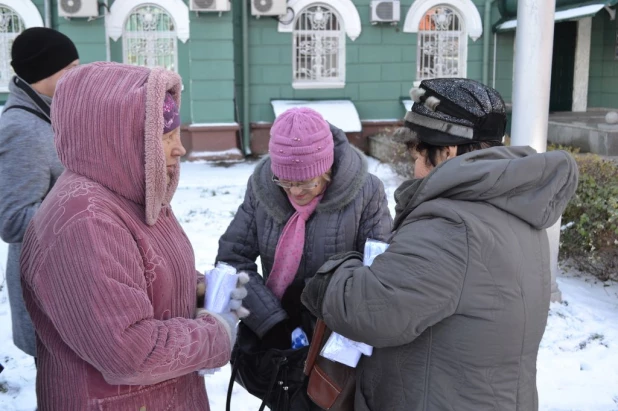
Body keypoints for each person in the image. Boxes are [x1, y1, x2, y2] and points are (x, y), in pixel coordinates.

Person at [301, 78, 579, 411]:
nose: (415, 169)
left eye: (419, 157)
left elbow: (371, 310)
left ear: (447, 152)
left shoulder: (451, 226)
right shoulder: (513, 206)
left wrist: (336, 273)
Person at [19, 62, 247, 411]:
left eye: (177, 133)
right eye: (166, 136)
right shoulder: (85, 224)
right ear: (120, 138)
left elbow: (140, 271)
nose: (180, 148)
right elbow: (129, 351)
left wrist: (199, 288)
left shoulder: (128, 190)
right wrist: (215, 333)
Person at [216, 107, 392, 409]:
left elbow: (379, 272)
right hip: (278, 337)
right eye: (286, 183)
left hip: (339, 341)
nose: (295, 191)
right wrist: (272, 325)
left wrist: (337, 334)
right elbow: (233, 260)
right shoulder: (262, 189)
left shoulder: (366, 192)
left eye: (307, 182)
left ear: (328, 168)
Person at [0, 27, 79, 361]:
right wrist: (88, 216)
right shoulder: (24, 129)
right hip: (46, 286)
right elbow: (13, 220)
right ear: (43, 73)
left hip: (64, 276)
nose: (78, 78)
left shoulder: (50, 116)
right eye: (70, 71)